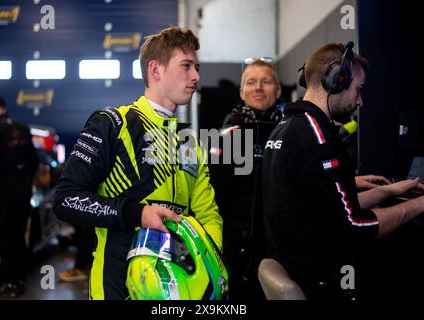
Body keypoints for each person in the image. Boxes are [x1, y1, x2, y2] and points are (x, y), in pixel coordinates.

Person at [53, 26, 223, 300]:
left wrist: (212, 269)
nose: (197, 76)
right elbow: (66, 199)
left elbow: (207, 215)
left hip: (183, 290)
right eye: (187, 66)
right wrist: (137, 214)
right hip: (117, 287)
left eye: (197, 67)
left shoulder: (189, 142)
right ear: (155, 70)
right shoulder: (111, 124)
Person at [262, 43, 424, 300]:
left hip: (297, 269)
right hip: (317, 284)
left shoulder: (287, 127)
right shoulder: (318, 138)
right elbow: (354, 225)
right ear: (336, 80)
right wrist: (417, 206)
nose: (360, 101)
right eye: (358, 89)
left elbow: (329, 206)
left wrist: (387, 191)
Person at [210, 59, 282, 300]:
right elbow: (214, 202)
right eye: (251, 82)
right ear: (242, 92)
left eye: (266, 81)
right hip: (237, 255)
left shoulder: (291, 132)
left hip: (283, 251)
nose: (258, 87)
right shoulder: (226, 138)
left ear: (278, 89)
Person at [0, 93, 39, 297]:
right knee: (19, 235)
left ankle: (9, 281)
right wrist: (25, 181)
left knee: (5, 237)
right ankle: (20, 279)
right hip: (23, 189)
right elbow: (34, 161)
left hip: (3, 190)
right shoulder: (23, 128)